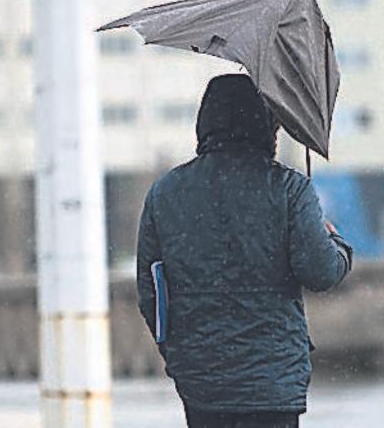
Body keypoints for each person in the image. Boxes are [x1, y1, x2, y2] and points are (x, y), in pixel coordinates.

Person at [136, 74, 353, 428]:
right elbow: (322, 272)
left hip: (202, 385)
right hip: (272, 386)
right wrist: (337, 243)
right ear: (264, 125)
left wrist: (178, 355)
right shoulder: (288, 188)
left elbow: (152, 293)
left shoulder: (166, 193)